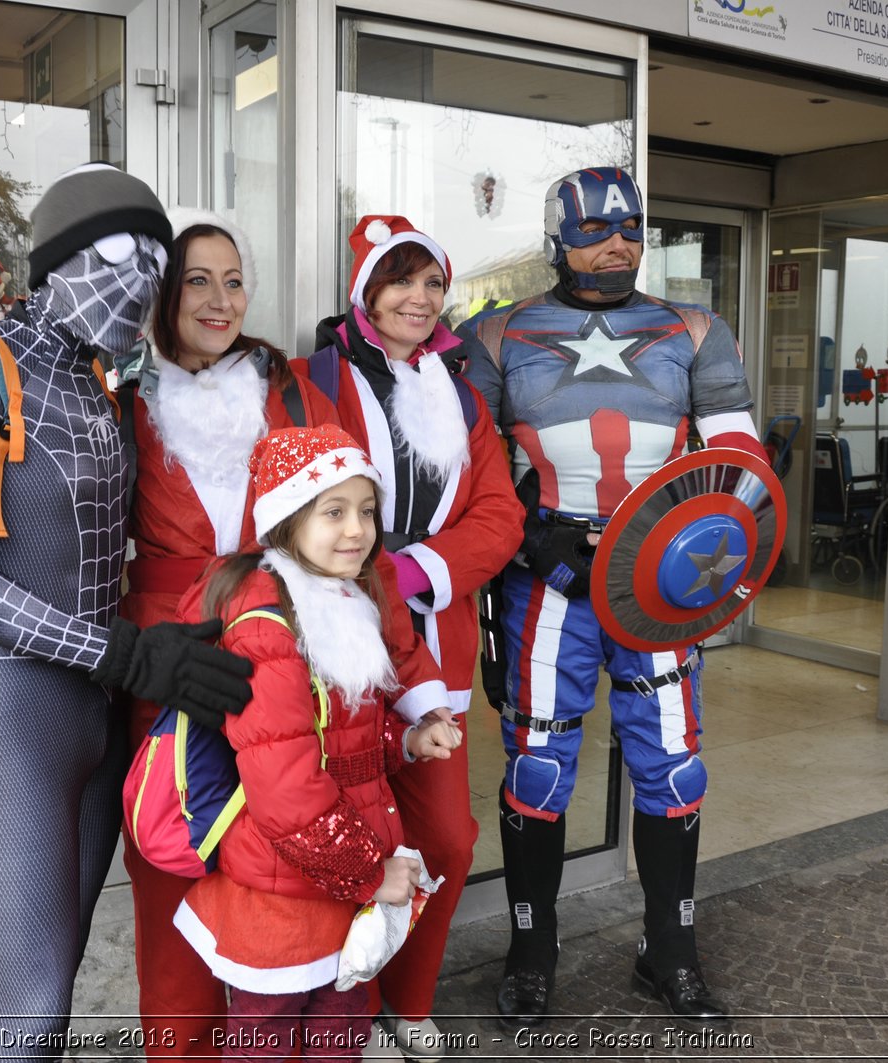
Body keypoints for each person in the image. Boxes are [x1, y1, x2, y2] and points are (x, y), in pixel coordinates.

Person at [0, 165, 255, 1060]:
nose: (138, 283)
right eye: (114, 256)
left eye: (153, 264)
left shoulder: (102, 391)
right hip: (0, 709)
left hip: (90, 712)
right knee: (27, 1006)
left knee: (54, 984)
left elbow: (118, 550)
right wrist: (129, 656)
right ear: (55, 262)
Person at [119, 209, 452, 1060]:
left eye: (235, 280)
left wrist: (407, 698)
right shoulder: (122, 394)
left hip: (295, 651)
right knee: (182, 867)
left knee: (295, 848)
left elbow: (349, 532)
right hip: (175, 663)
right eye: (198, 279)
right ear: (163, 290)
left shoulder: (292, 389)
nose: (221, 298)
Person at [460, 168, 770, 1029]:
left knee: (674, 770)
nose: (618, 242)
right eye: (597, 228)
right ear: (558, 238)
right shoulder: (495, 336)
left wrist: (695, 554)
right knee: (537, 767)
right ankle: (532, 952)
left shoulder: (695, 329)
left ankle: (668, 952)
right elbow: (466, 466)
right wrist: (530, 534)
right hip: (545, 581)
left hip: (659, 584)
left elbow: (739, 465)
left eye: (631, 226)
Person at [301, 215, 523, 1057]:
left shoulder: (461, 392)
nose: (420, 298)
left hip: (437, 648)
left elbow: (500, 513)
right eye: (401, 279)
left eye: (433, 282)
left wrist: (413, 572)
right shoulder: (308, 379)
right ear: (364, 292)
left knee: (447, 840)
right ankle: (335, 1018)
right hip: (336, 647)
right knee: (340, 832)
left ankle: (409, 995)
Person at [171, 424, 462, 1061]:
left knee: (341, 1032)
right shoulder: (268, 627)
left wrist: (407, 741)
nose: (357, 530)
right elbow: (287, 791)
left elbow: (337, 735)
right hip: (286, 892)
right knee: (266, 1041)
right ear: (286, 520)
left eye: (365, 511)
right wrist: (371, 873)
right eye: (333, 512)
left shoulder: (337, 598)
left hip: (337, 881)